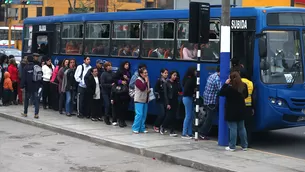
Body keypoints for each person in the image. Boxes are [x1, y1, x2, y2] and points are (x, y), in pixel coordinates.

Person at [219, 71, 248, 151]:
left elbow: (221, 93)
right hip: (241, 109)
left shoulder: (229, 88)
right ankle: (244, 145)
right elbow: (246, 95)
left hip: (231, 110)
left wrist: (225, 84)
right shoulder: (244, 86)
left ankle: (232, 146)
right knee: (242, 128)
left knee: (233, 128)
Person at [199, 65, 221, 140]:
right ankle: (202, 133)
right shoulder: (217, 79)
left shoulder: (212, 76)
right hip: (212, 101)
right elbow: (221, 89)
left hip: (207, 99)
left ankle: (202, 132)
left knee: (208, 117)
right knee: (209, 119)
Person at [159, 70, 182, 137]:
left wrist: (178, 82)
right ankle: (163, 126)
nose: (175, 77)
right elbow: (166, 94)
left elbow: (180, 90)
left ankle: (172, 131)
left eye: (176, 75)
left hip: (175, 101)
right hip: (169, 101)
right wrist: (167, 103)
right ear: (171, 75)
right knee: (169, 115)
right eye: (174, 75)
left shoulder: (176, 83)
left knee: (174, 116)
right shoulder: (167, 83)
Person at [112, 61, 131, 127]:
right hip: (120, 92)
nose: (127, 66)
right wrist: (121, 81)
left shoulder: (128, 72)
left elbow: (130, 81)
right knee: (120, 107)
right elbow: (114, 79)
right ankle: (120, 121)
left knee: (125, 107)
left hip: (126, 92)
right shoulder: (119, 71)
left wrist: (127, 79)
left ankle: (123, 120)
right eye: (126, 64)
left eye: (128, 64)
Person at [131, 67, 150, 134]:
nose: (146, 74)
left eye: (146, 72)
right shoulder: (138, 80)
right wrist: (146, 82)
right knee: (139, 114)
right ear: (141, 74)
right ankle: (135, 128)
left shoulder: (146, 79)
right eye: (145, 73)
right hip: (138, 100)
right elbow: (142, 88)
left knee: (144, 115)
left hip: (145, 99)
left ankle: (142, 128)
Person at [181, 66, 197, 139]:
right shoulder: (190, 80)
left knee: (190, 115)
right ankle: (184, 133)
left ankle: (190, 132)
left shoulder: (187, 78)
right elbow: (187, 90)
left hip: (188, 98)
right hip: (187, 98)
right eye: (195, 71)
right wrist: (193, 92)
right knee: (188, 115)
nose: (196, 72)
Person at [241, 72, 255, 147]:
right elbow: (253, 97)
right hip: (248, 106)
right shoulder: (251, 83)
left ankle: (237, 141)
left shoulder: (238, 82)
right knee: (248, 126)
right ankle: (248, 142)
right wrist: (253, 107)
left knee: (239, 125)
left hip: (240, 106)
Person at [153, 69, 169, 133]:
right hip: (160, 99)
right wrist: (162, 92)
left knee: (165, 114)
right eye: (165, 73)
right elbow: (156, 89)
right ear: (161, 73)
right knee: (162, 113)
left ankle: (162, 126)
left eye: (167, 73)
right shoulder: (159, 81)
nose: (166, 74)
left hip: (165, 99)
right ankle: (156, 125)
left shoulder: (167, 81)